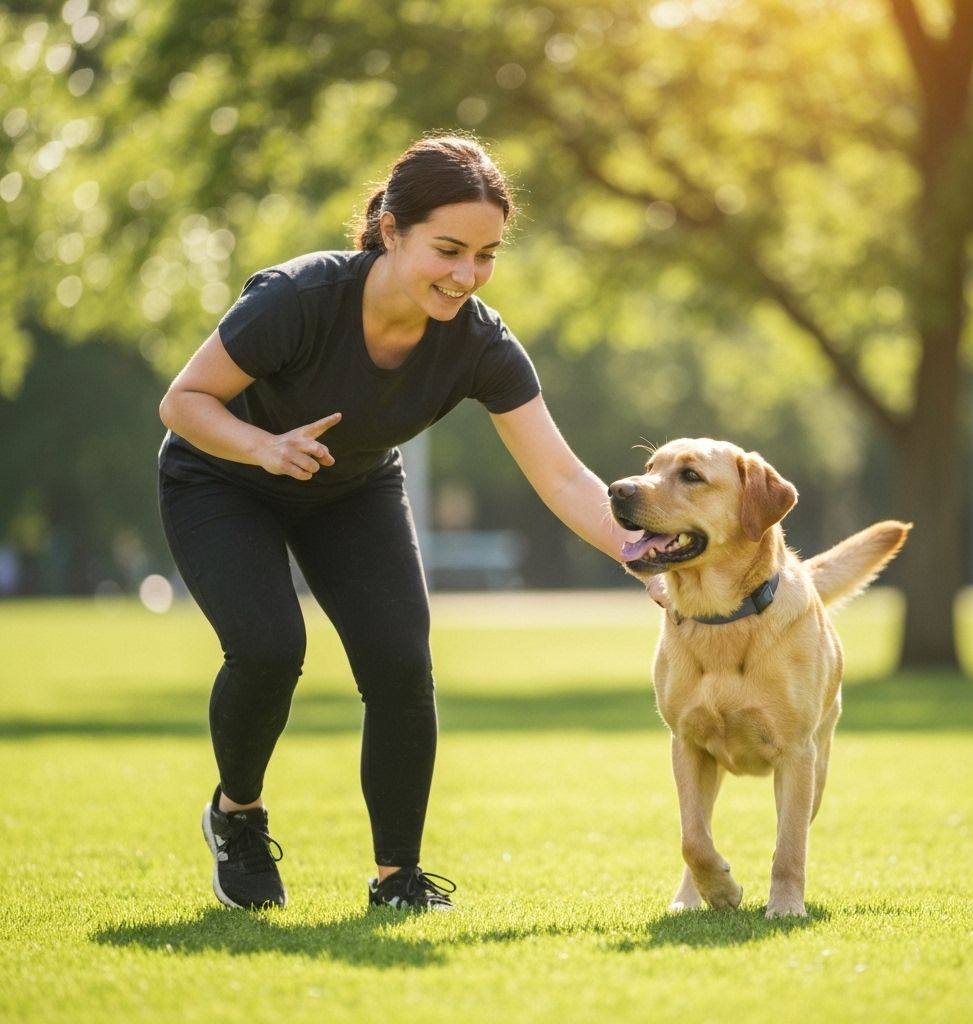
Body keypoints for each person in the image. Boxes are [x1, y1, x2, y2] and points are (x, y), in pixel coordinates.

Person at [158, 133, 652, 914]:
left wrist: (639, 553)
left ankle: (398, 879)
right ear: (392, 230)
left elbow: (560, 473)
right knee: (270, 647)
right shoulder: (298, 298)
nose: (466, 276)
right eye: (448, 249)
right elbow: (183, 401)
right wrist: (263, 446)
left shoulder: (480, 343)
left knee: (399, 666)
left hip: (349, 488)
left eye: (486, 255)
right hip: (223, 477)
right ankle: (238, 816)